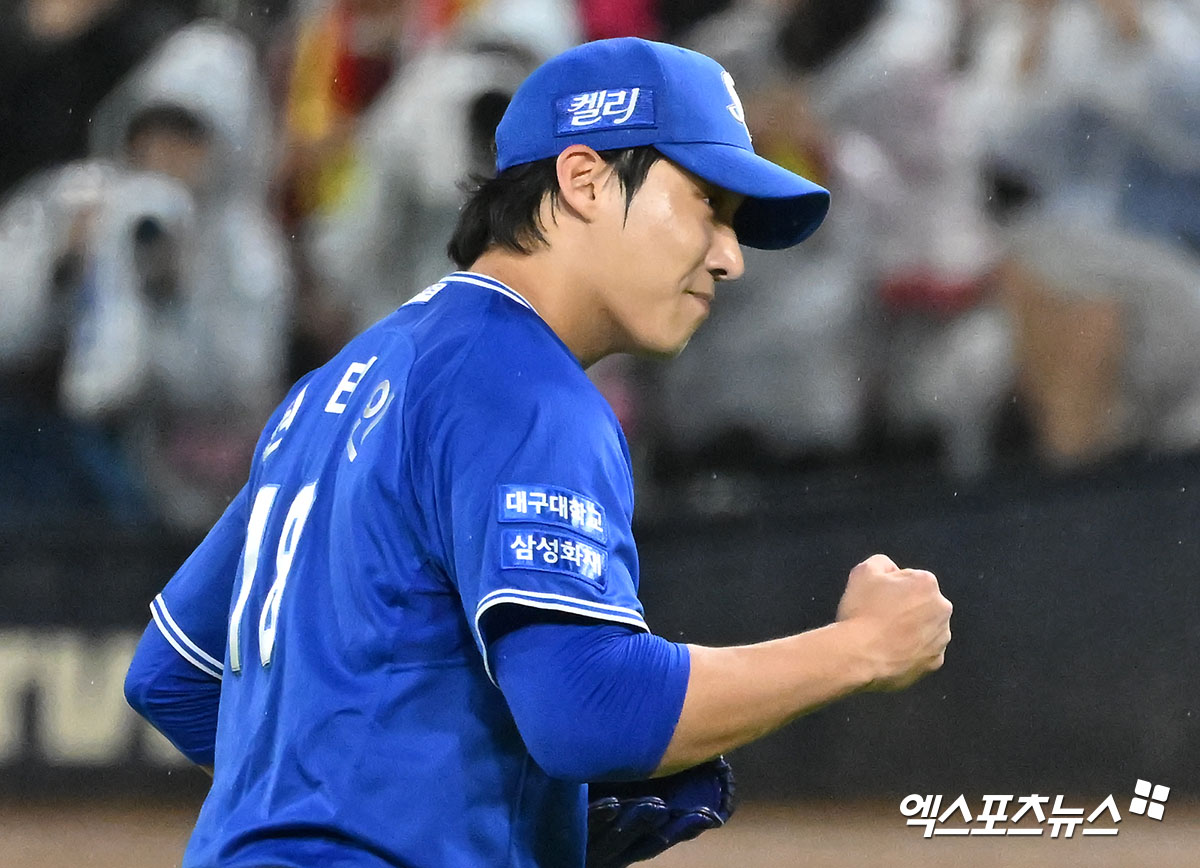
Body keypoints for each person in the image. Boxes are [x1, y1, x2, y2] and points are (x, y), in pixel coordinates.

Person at [123, 37, 953, 868]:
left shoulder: (338, 384)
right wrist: (860, 648)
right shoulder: (524, 387)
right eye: (706, 202)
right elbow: (590, 709)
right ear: (584, 179)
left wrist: (456, 800)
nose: (730, 255)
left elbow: (173, 675)